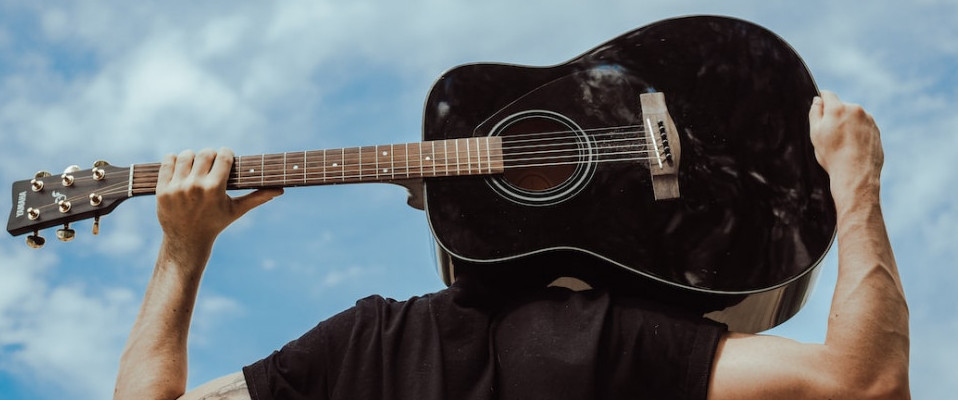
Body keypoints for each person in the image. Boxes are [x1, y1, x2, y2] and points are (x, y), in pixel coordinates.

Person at [113, 91, 910, 399]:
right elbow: (867, 381)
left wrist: (183, 251)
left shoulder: (367, 342)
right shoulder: (604, 338)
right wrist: (855, 182)